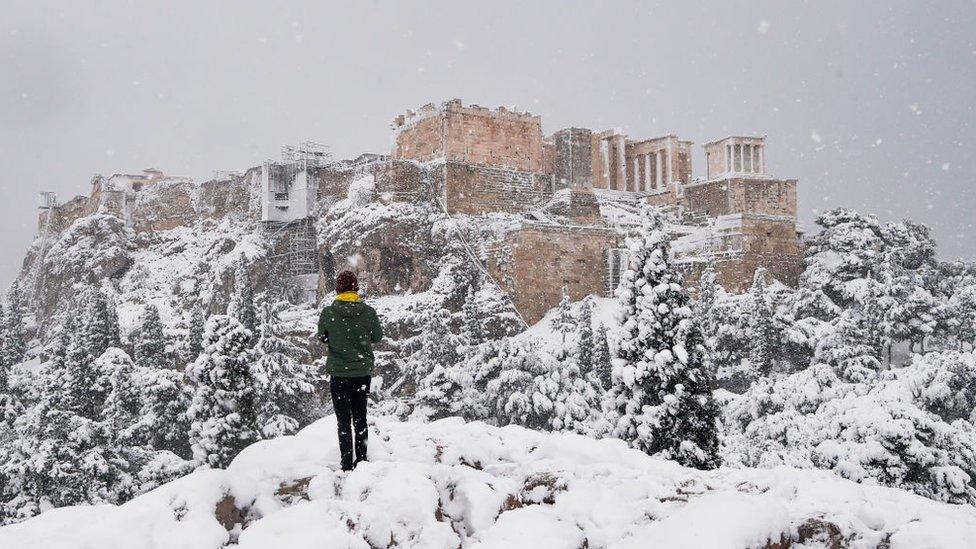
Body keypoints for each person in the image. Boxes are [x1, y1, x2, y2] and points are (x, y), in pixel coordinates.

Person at [317, 270, 383, 471]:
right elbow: (377, 337)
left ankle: (346, 464)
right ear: (356, 289)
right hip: (361, 374)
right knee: (360, 418)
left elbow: (322, 337)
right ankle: (362, 462)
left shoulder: (328, 313)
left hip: (339, 375)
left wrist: (337, 340)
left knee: (343, 422)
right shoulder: (368, 312)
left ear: (338, 290)